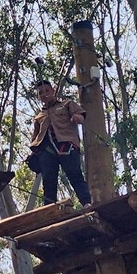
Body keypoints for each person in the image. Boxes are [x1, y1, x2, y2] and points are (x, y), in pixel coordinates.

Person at [27, 79, 92, 208]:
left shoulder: (67, 104)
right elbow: (36, 137)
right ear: (38, 97)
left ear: (53, 91)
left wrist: (77, 118)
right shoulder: (39, 117)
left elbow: (80, 115)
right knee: (49, 181)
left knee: (74, 175)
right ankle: (49, 209)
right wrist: (33, 152)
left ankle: (86, 203)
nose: (44, 94)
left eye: (47, 91)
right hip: (46, 150)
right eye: (40, 93)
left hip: (66, 145)